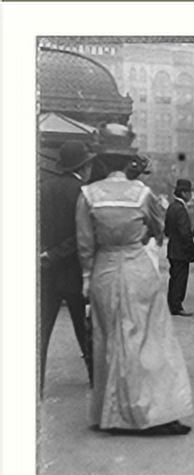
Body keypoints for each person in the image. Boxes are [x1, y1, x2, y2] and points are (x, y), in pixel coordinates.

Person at [76, 124, 192, 436]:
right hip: (138, 269)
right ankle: (152, 410)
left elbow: (85, 246)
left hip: (104, 270)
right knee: (149, 342)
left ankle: (114, 413)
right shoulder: (142, 194)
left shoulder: (88, 195)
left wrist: (88, 278)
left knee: (111, 341)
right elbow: (157, 230)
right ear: (128, 161)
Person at [39, 140, 96, 396]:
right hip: (73, 272)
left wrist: (46, 254)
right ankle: (96, 380)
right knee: (85, 331)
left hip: (46, 273)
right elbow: (82, 236)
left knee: (40, 334)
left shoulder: (42, 188)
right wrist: (57, 253)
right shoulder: (83, 193)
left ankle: (35, 387)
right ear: (82, 166)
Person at [164, 178, 194, 316]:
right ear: (184, 193)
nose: (191, 195)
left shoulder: (171, 208)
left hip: (172, 248)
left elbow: (166, 230)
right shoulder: (181, 210)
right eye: (189, 192)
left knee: (174, 278)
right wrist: (192, 250)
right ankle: (177, 306)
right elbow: (185, 233)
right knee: (181, 279)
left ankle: (171, 304)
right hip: (181, 250)